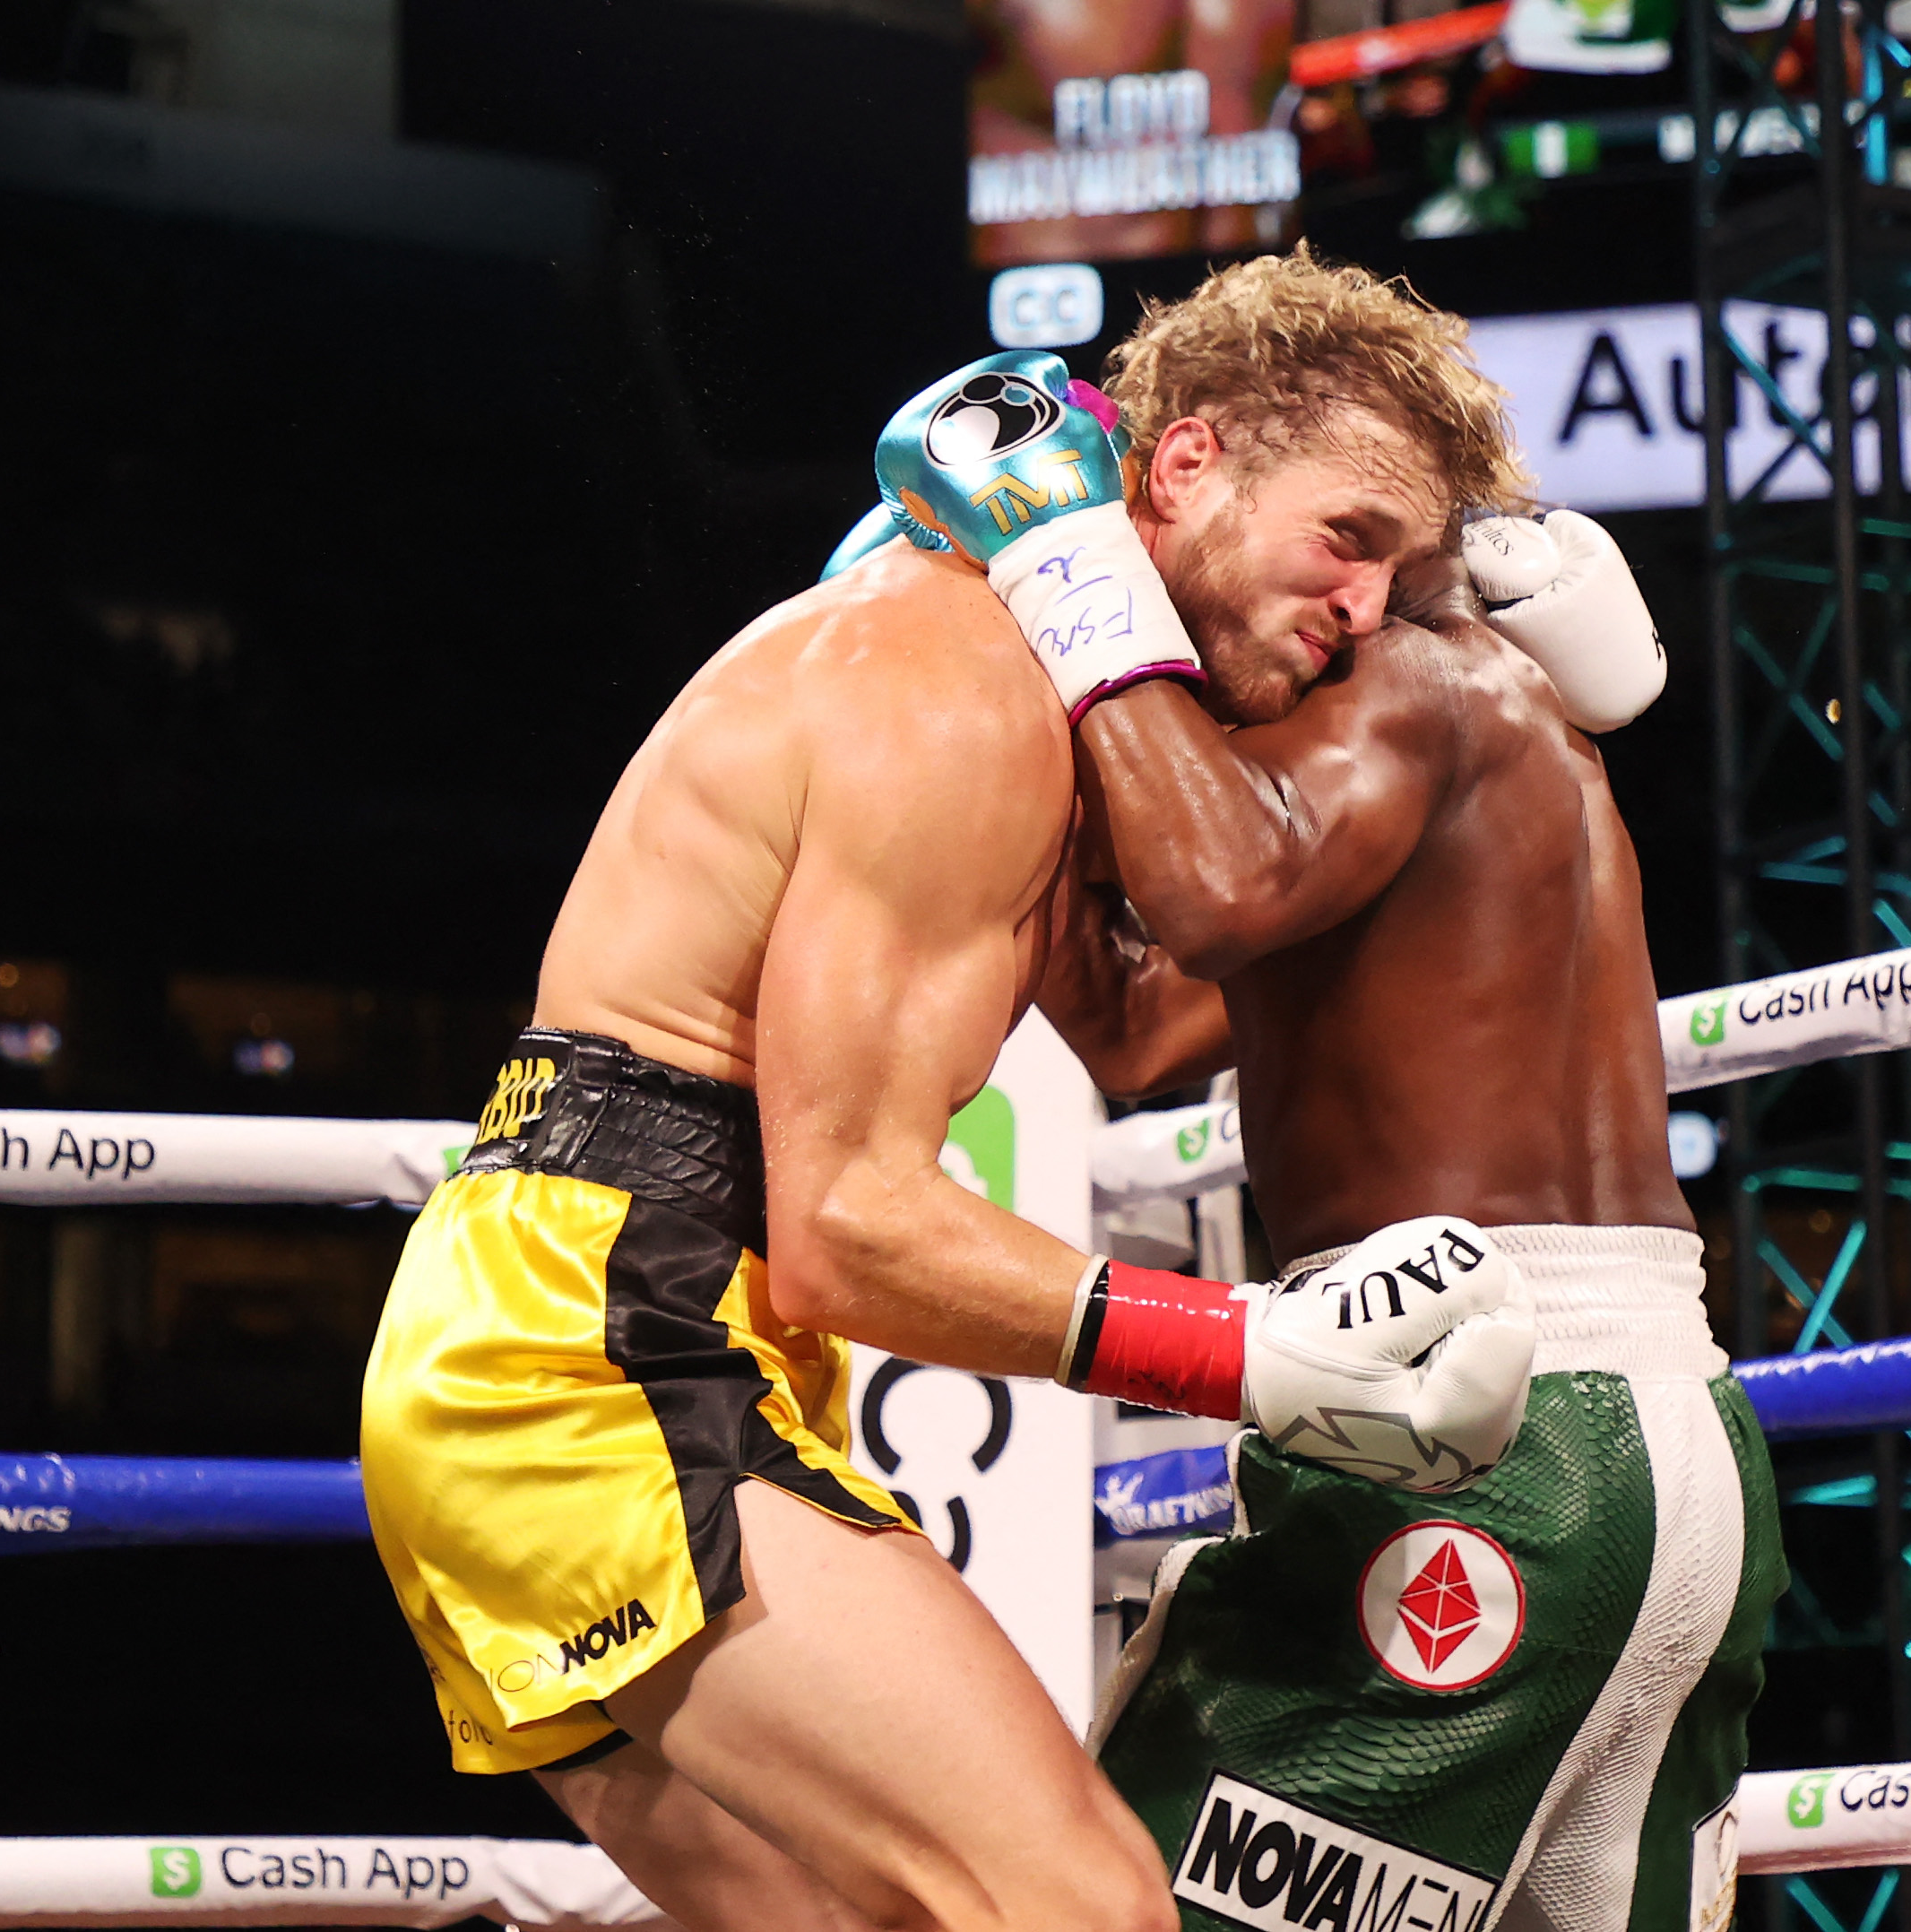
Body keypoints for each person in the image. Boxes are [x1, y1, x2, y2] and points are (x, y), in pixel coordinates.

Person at [353, 316, 1544, 1928]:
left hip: (564, 1328)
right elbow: (846, 1224)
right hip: (608, 1352)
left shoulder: (1007, 686)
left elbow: (1142, 1013)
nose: (1358, 611)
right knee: (1073, 1907)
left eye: (1393, 586)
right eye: (1345, 543)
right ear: (1182, 466)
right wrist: (1252, 1353)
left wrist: (1493, 740)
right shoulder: (955, 684)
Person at [1025, 253, 1788, 1932]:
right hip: (1661, 1448)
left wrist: (1055, 575)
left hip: (1481, 1432)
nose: (1355, 601)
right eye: (1340, 546)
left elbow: (1213, 897)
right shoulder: (1480, 727)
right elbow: (1143, 1036)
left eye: (1386, 553)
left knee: (1078, 1899)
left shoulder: (1417, 690)